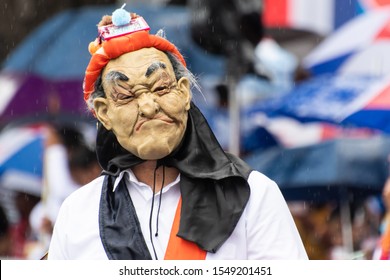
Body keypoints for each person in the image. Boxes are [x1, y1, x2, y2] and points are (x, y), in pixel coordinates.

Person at [47, 6, 308, 260]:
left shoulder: (253, 194)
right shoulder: (78, 212)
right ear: (104, 113)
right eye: (126, 96)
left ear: (184, 92)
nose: (148, 107)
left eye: (160, 88)